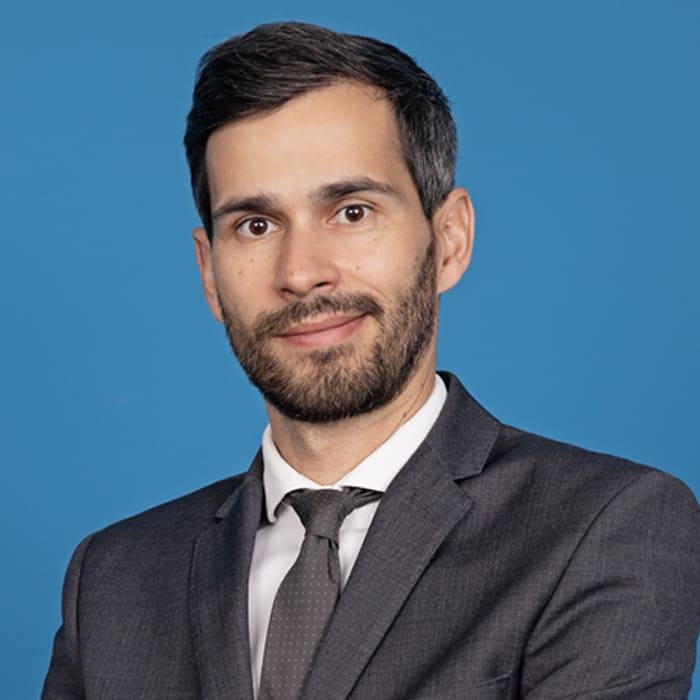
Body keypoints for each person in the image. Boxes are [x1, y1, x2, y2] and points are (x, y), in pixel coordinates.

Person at [43, 21, 700, 700]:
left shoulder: (605, 527)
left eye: (352, 211)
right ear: (210, 274)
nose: (301, 273)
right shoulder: (114, 578)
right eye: (256, 226)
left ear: (449, 239)